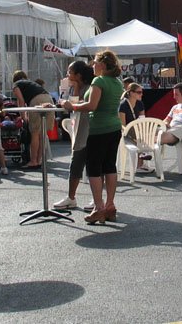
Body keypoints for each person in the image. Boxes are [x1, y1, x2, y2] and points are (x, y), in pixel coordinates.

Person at [61, 50, 123, 224]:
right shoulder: (117, 82)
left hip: (99, 129)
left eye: (95, 62)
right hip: (114, 127)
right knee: (110, 166)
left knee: (94, 169)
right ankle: (110, 205)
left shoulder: (99, 80)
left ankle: (98, 207)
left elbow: (92, 105)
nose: (92, 65)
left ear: (102, 65)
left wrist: (71, 106)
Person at [54, 61, 94, 211]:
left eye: (69, 72)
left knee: (92, 167)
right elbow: (72, 104)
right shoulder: (74, 88)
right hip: (78, 128)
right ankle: (71, 197)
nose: (67, 75)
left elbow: (77, 104)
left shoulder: (91, 88)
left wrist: (72, 96)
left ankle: (96, 199)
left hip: (90, 129)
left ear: (78, 75)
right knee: (75, 164)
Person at [12, 70, 54, 169]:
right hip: (48, 99)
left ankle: (33, 161)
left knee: (34, 132)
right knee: (42, 133)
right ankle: (39, 160)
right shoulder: (32, 83)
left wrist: (23, 116)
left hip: (37, 101)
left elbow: (21, 100)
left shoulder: (16, 85)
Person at [119, 82, 151, 173]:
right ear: (132, 93)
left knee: (154, 130)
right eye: (139, 92)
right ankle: (141, 160)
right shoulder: (123, 105)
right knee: (138, 133)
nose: (142, 94)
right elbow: (123, 125)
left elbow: (142, 119)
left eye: (141, 92)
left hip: (138, 130)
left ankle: (143, 155)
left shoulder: (140, 104)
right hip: (126, 132)